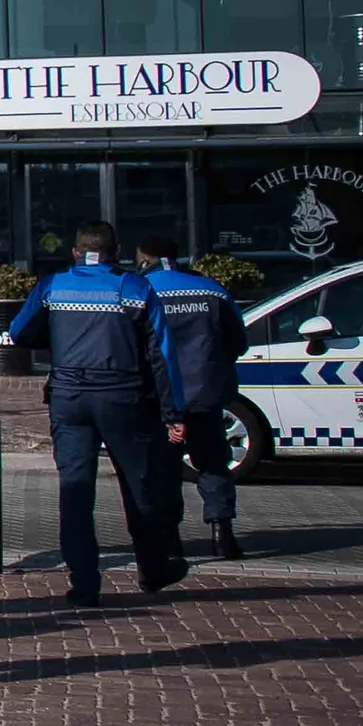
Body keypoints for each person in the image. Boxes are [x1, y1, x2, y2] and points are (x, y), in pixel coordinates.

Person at [10, 220, 189, 605]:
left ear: (76, 252)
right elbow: (163, 356)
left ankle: (85, 582)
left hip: (69, 397)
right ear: (117, 251)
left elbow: (20, 331)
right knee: (139, 486)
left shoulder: (53, 286)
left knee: (75, 492)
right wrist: (174, 412)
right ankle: (153, 568)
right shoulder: (135, 288)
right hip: (124, 398)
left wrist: (57, 341)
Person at [138, 235, 251, 561]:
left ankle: (170, 539)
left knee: (163, 469)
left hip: (159, 397)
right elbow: (238, 342)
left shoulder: (140, 289)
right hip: (205, 393)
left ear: (145, 257)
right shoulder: (212, 289)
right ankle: (222, 535)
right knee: (214, 463)